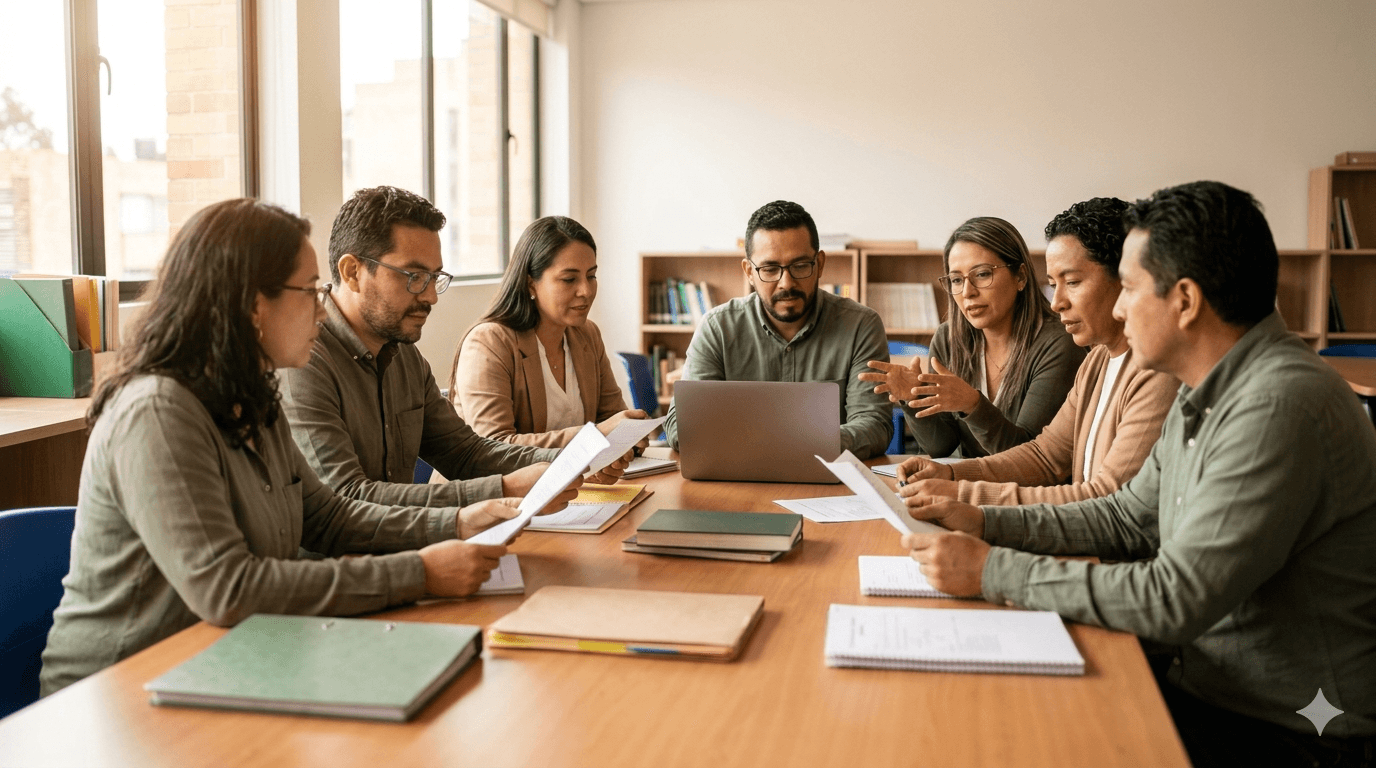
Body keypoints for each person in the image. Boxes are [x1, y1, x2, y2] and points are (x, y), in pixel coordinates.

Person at [899, 181, 1376, 766]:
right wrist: (980, 517)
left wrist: (992, 569)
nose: (1120, 309)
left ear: (1185, 300)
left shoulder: (1276, 405)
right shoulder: (1214, 387)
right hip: (1211, 686)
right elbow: (1127, 515)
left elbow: (1175, 596)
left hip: (1292, 729)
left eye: (1126, 288)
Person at [41, 199, 535, 695]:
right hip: (119, 689)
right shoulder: (157, 411)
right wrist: (420, 573)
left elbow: (326, 517)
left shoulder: (253, 395)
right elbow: (227, 589)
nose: (323, 309)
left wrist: (456, 522)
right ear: (253, 304)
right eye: (310, 292)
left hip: (226, 660)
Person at [279, 187, 619, 510]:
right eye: (414, 276)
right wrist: (504, 489)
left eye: (435, 277)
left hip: (407, 548)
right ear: (353, 272)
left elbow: (466, 453)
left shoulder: (404, 355)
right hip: (340, 567)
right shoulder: (304, 360)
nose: (430, 296)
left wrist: (579, 456)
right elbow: (348, 498)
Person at [895, 198, 1177, 505]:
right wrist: (949, 475)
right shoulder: (1097, 360)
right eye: (1054, 283)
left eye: (1072, 282)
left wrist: (963, 493)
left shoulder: (1153, 370)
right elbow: (1044, 455)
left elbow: (1106, 504)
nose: (1057, 302)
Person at [662, 200, 892, 458]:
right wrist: (783, 442)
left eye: (800, 266)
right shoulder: (717, 328)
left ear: (820, 265)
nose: (787, 283)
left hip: (827, 483)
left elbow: (874, 425)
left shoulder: (861, 325)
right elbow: (681, 426)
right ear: (749, 271)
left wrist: (786, 444)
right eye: (770, 269)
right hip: (737, 482)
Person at [861, 217, 1084, 458]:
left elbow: (1028, 457)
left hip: (1032, 492)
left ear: (1020, 276)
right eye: (957, 279)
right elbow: (940, 447)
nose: (968, 292)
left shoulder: (1058, 343)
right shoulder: (948, 338)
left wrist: (973, 405)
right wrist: (914, 400)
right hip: (969, 486)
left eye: (982, 274)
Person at [449, 216, 648, 448]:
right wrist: (597, 435)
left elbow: (613, 420)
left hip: (574, 484)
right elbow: (494, 447)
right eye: (569, 279)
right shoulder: (489, 342)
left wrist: (630, 438)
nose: (585, 290)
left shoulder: (587, 334)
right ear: (530, 283)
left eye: (591, 276)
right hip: (495, 484)